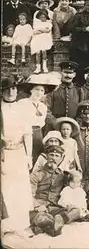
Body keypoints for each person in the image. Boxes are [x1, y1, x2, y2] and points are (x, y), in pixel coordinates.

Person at [0, 76, 34, 237]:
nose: (11, 92)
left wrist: (29, 157)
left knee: (21, 188)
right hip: (4, 153)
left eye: (13, 88)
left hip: (20, 152)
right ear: (2, 92)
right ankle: (7, 224)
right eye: (7, 89)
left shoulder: (22, 109)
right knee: (6, 188)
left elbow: (28, 134)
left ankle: (22, 225)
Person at [29, 145, 81, 237]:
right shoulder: (36, 174)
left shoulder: (63, 175)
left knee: (76, 210)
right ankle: (52, 227)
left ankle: (57, 221)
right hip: (38, 209)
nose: (53, 158)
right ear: (46, 156)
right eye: (51, 155)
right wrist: (37, 206)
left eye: (57, 156)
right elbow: (29, 195)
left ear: (61, 159)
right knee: (41, 217)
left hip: (54, 208)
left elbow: (73, 185)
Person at [17, 73, 58, 164]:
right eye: (37, 89)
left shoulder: (43, 107)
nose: (39, 93)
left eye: (42, 90)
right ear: (31, 90)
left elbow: (42, 123)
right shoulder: (22, 103)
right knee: (25, 158)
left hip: (38, 134)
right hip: (24, 134)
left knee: (37, 158)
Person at [69, 0, 89, 84]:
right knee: (77, 65)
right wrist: (84, 29)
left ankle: (86, 83)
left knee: (87, 65)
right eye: (87, 5)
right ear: (84, 5)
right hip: (78, 44)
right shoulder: (78, 16)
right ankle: (76, 82)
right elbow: (72, 28)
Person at [30, 9, 53, 74]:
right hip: (37, 39)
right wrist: (42, 30)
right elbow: (34, 32)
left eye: (44, 17)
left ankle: (44, 66)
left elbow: (47, 30)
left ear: (46, 17)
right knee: (37, 52)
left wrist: (40, 30)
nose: (43, 18)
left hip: (45, 39)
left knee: (43, 51)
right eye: (41, 17)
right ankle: (38, 68)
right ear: (39, 17)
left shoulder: (49, 23)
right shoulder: (37, 23)